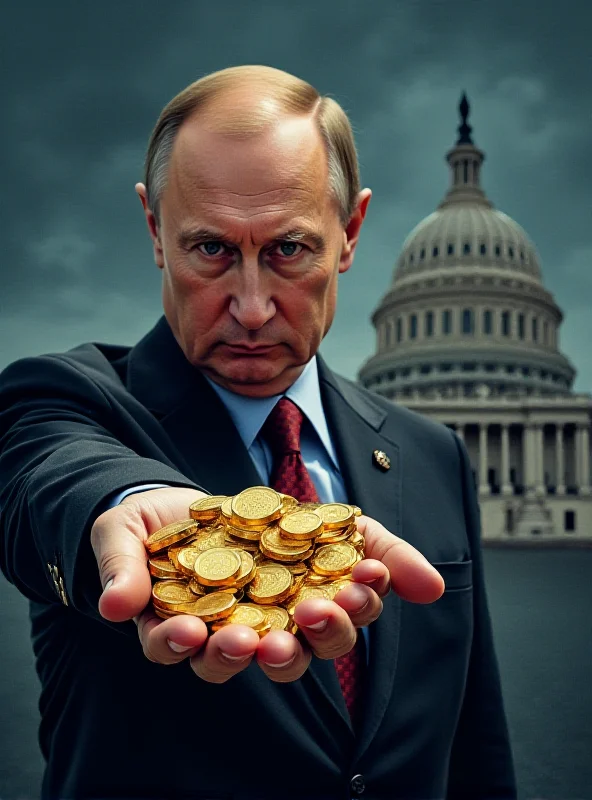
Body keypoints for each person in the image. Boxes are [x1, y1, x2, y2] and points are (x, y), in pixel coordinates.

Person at [0, 65, 517, 800]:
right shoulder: (62, 400)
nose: (249, 306)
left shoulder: (433, 454)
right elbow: (49, 476)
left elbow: (476, 746)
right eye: (210, 249)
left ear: (351, 233)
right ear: (154, 231)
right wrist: (132, 501)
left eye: (288, 249)